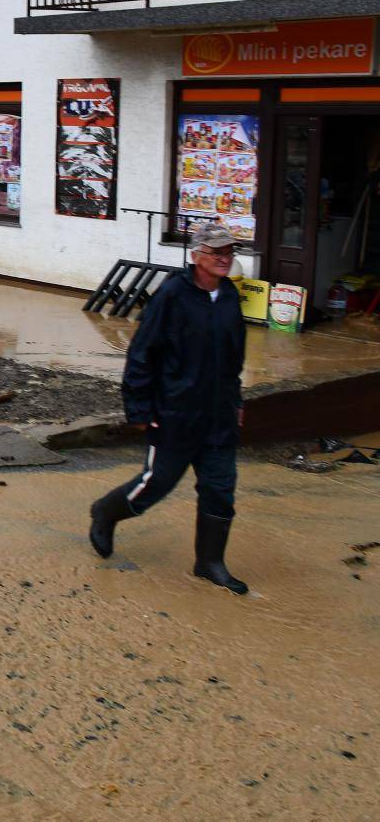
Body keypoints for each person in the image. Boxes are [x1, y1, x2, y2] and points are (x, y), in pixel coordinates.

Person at [89, 224, 249, 594]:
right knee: (156, 483)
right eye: (216, 252)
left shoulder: (229, 297)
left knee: (221, 488)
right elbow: (142, 353)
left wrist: (236, 399)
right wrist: (140, 410)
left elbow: (234, 356)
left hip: (219, 415)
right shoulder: (172, 295)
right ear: (196, 256)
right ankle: (105, 512)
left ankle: (210, 563)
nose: (225, 258)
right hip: (176, 413)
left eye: (229, 252)